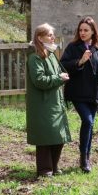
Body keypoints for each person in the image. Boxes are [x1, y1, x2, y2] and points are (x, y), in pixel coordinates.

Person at [60, 16, 98, 172]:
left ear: (93, 32)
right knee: (88, 122)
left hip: (94, 95)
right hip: (77, 93)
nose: (82, 33)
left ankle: (86, 158)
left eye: (86, 30)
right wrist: (80, 61)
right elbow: (63, 65)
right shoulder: (73, 47)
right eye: (80, 30)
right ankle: (84, 160)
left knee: (89, 125)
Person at [26, 23, 71, 177]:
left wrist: (61, 77)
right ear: (40, 37)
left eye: (53, 35)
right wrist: (59, 78)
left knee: (58, 135)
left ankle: (54, 165)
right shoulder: (34, 58)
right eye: (49, 35)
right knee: (45, 136)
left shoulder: (51, 56)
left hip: (55, 101)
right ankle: (44, 170)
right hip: (42, 103)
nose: (53, 38)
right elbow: (39, 80)